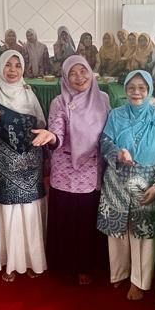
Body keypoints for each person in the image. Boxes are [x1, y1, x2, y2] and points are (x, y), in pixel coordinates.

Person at [98, 70, 155, 300]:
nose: (136, 92)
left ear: (149, 90)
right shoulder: (116, 115)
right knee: (117, 231)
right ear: (125, 89)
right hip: (116, 181)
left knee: (142, 234)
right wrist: (118, 153)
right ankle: (119, 273)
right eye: (132, 87)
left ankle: (139, 281)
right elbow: (104, 142)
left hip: (145, 185)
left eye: (142, 88)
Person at [0, 51, 54, 281]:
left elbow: (41, 124)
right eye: (8, 65)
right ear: (0, 67)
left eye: (17, 65)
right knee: (10, 211)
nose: (13, 70)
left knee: (31, 211)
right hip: (5, 162)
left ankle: (33, 261)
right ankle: (11, 262)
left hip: (31, 161)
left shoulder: (29, 92)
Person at [46, 55, 110, 285]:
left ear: (91, 72)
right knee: (67, 218)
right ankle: (65, 264)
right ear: (65, 77)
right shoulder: (59, 102)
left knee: (86, 219)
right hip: (66, 169)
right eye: (72, 73)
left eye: (83, 71)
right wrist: (51, 138)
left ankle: (85, 265)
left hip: (92, 167)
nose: (79, 77)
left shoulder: (103, 98)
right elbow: (57, 131)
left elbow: (110, 131)